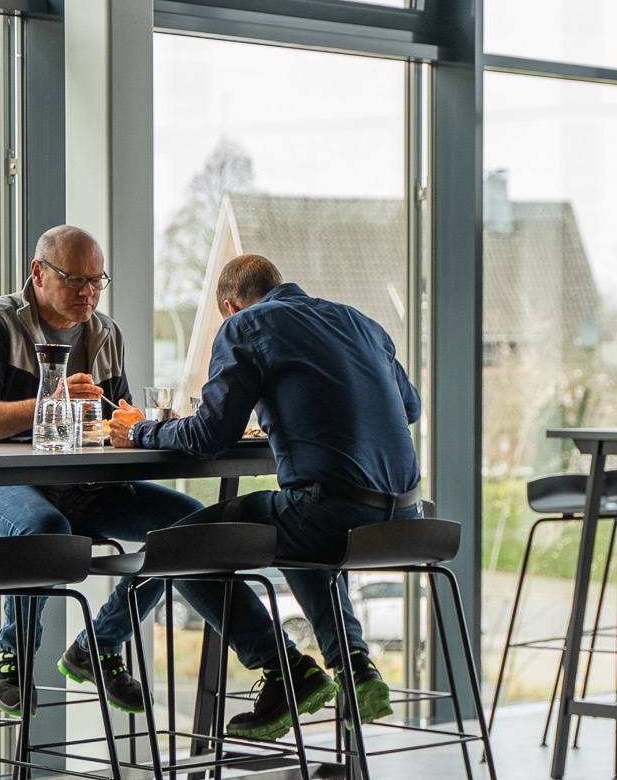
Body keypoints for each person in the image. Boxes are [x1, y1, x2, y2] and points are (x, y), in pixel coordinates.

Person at [110, 254, 421, 740]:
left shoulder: (247, 326)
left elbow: (208, 436)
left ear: (230, 308)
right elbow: (410, 406)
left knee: (179, 546)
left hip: (333, 513)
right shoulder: (360, 322)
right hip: (407, 518)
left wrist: (143, 431)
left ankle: (284, 672)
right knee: (295, 516)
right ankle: (355, 668)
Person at [0, 224, 202, 717]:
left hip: (86, 485)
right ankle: (12, 656)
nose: (89, 293)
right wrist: (48, 407)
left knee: (188, 527)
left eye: (98, 282)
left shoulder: (106, 333)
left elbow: (113, 421)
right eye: (76, 280)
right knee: (46, 530)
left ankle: (100, 644)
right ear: (38, 273)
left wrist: (139, 426)